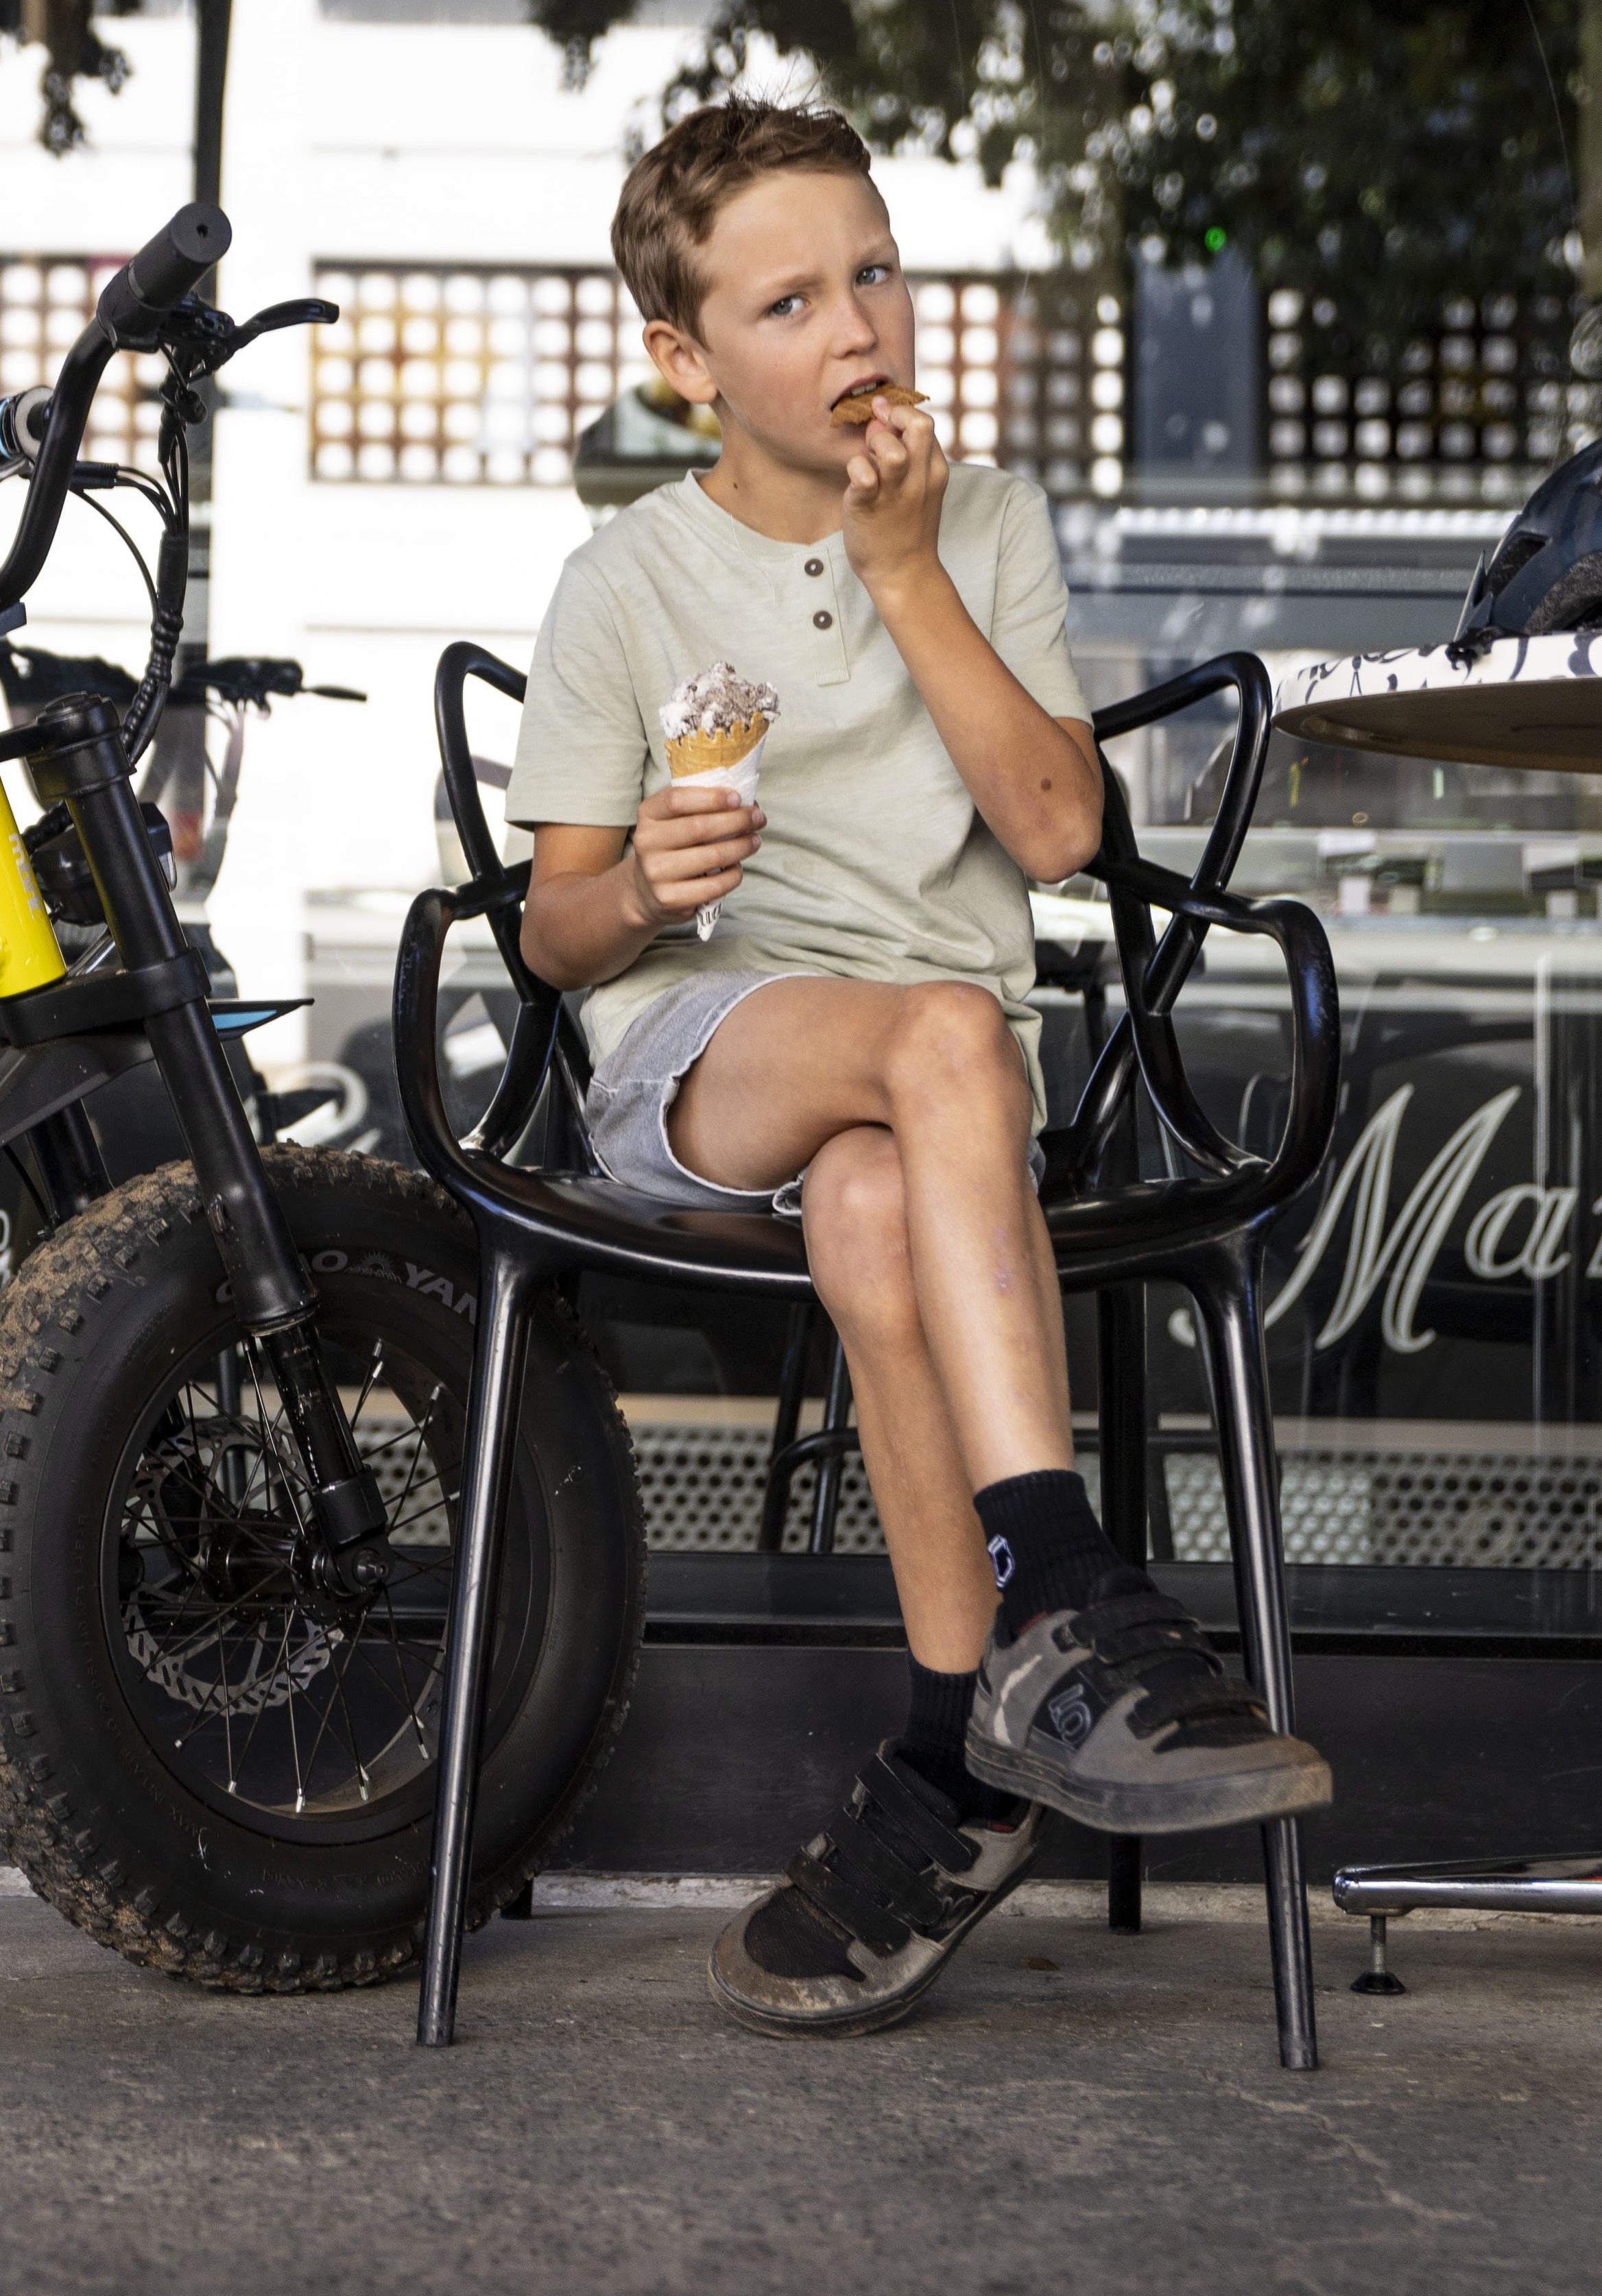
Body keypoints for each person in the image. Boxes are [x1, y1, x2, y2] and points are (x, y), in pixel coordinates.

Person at [505, 99, 1331, 2038]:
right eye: (788, 299)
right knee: (936, 1035)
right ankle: (1065, 1584)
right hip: (703, 1063)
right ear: (685, 362)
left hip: (932, 1110)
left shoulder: (980, 525)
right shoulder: (623, 584)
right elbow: (549, 940)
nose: (856, 325)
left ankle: (955, 1760)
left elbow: (1053, 833)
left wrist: (899, 573)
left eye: (873, 269)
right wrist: (637, 883)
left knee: (884, 1182)